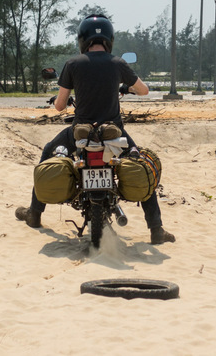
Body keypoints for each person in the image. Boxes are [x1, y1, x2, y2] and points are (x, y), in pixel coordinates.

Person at [15, 14, 176, 245]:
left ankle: (34, 214)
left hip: (80, 131)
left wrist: (70, 95)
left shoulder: (72, 64)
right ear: (109, 39)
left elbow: (60, 105)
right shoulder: (118, 63)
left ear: (83, 39)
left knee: (49, 151)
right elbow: (144, 91)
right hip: (114, 132)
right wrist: (124, 86)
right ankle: (156, 229)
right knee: (140, 162)